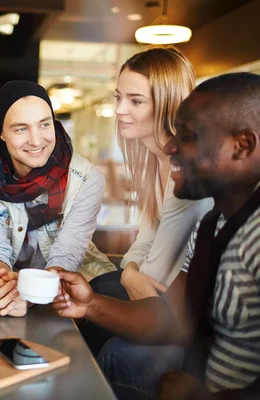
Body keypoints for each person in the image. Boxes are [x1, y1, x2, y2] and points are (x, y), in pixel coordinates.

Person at [52, 72, 260, 400]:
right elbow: (172, 317)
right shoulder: (212, 224)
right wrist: (90, 305)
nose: (171, 146)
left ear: (242, 146)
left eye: (189, 136)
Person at [0, 80, 116, 317]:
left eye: (44, 125)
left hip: (73, 290)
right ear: (2, 133)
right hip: (14, 289)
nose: (36, 141)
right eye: (21, 129)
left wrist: (32, 294)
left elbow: (66, 255)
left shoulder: (87, 178)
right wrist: (2, 286)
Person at [112, 46, 213, 301]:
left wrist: (130, 273)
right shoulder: (153, 161)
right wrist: (129, 273)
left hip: (184, 309)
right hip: (159, 299)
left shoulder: (187, 171)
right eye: (118, 97)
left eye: (135, 101)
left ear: (169, 105)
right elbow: (142, 244)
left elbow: (156, 275)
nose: (119, 110)